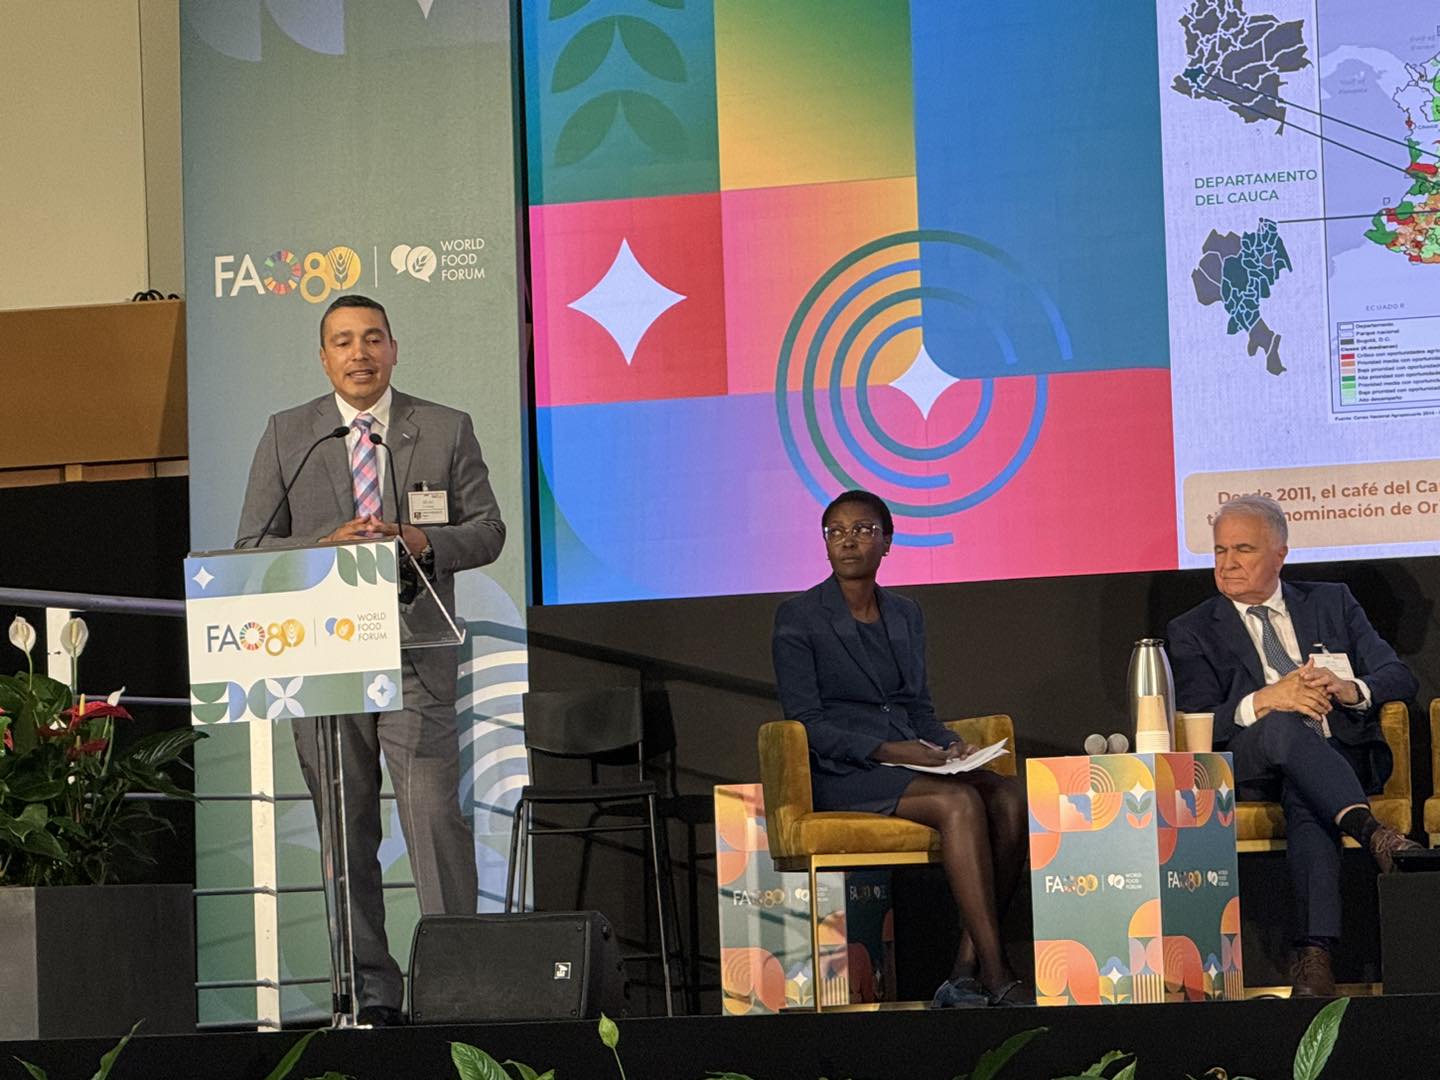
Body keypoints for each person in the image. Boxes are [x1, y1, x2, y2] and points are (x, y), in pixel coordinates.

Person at [236, 294, 505, 1025]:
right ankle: (368, 994)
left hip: (415, 651)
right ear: (324, 358)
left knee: (432, 819)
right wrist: (325, 546)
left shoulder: (444, 427)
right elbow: (252, 546)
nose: (360, 353)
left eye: (373, 339)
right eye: (343, 342)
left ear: (393, 349)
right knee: (344, 827)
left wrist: (420, 541)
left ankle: (457, 987)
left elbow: (487, 531)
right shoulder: (290, 434)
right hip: (325, 660)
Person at [771, 490, 1029, 1007]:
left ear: (886, 542)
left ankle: (964, 970)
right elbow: (807, 725)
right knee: (959, 803)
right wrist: (894, 750)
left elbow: (918, 708)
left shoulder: (906, 614)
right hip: (843, 769)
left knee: (1009, 797)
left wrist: (951, 746)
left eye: (862, 530)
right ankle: (997, 972)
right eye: (836, 532)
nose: (848, 541)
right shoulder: (798, 616)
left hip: (907, 758)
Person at [1166, 494, 1420, 997]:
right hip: (1251, 760)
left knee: (1307, 794)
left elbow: (1398, 675)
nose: (1227, 563)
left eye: (1243, 549)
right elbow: (1196, 721)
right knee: (1283, 725)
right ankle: (1372, 832)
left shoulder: (1332, 602)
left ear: (1280, 553)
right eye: (1219, 550)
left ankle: (1314, 957)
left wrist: (1351, 688)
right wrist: (1266, 699)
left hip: (1334, 756)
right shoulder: (1191, 629)